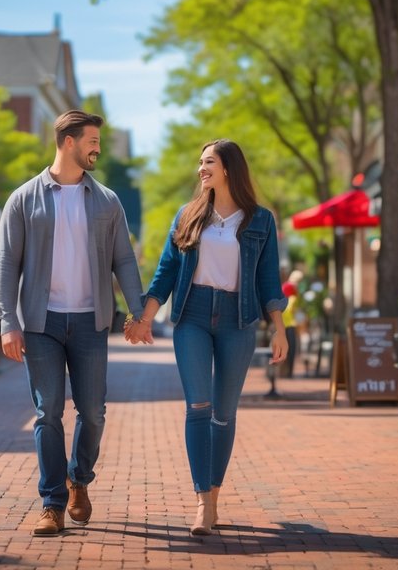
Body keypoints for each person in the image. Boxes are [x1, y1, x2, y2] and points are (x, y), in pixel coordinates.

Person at [0, 110, 144, 537]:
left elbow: (124, 261)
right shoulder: (24, 199)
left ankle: (79, 478)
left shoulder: (107, 201)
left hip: (91, 322)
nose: (97, 147)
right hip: (41, 324)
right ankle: (52, 503)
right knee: (47, 414)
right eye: (92, 140)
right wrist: (9, 322)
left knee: (93, 412)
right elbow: (7, 267)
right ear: (68, 142)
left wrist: (137, 313)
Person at [127, 139, 287, 537]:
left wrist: (279, 328)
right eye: (199, 162)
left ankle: (214, 494)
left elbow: (269, 279)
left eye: (208, 162)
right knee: (198, 405)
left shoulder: (260, 220)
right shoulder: (188, 215)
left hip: (239, 319)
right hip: (192, 316)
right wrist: (144, 318)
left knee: (224, 413)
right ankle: (203, 501)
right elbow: (166, 271)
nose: (201, 168)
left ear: (229, 167)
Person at [279, 269, 304, 377]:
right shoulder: (291, 289)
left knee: (287, 348)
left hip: (284, 322)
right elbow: (291, 307)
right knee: (291, 348)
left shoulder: (285, 286)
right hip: (289, 323)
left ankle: (285, 371)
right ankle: (288, 372)